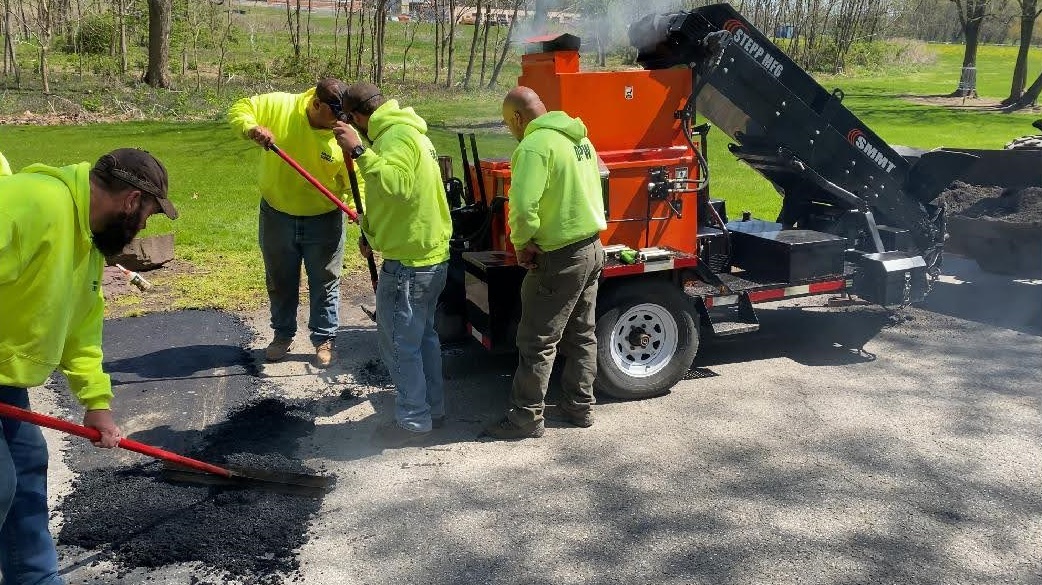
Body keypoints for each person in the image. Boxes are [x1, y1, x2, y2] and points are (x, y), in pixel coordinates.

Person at [0, 148, 178, 584]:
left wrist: (96, 402)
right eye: (149, 215)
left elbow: (81, 329)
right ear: (132, 201)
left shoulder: (88, 238)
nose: (144, 227)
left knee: (25, 470)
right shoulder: (30, 203)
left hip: (6, 383)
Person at [483, 86, 607, 440]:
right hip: (592, 248)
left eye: (508, 124)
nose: (511, 130)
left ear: (518, 117)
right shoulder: (578, 139)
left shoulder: (534, 146)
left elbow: (523, 207)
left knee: (537, 341)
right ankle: (580, 407)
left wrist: (521, 243)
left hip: (560, 256)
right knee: (582, 335)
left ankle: (525, 418)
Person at [332, 82, 452, 442]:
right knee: (423, 340)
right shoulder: (411, 132)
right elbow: (403, 199)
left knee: (400, 344)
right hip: (430, 256)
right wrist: (371, 232)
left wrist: (358, 151)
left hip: (410, 265)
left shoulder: (394, 137)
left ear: (357, 117)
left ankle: (413, 422)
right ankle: (432, 410)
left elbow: (395, 184)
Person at [228, 78, 360, 368]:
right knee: (280, 278)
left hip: (324, 220)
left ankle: (324, 338)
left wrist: (356, 208)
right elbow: (241, 108)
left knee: (325, 280)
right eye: (335, 113)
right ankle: (282, 335)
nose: (341, 121)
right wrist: (251, 128)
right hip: (277, 214)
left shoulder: (343, 136)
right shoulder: (281, 105)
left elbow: (356, 180)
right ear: (316, 103)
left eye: (345, 115)